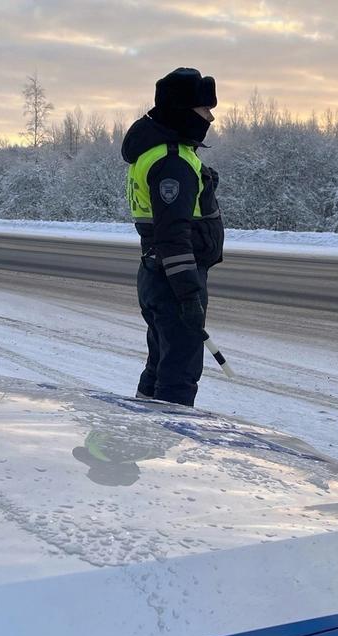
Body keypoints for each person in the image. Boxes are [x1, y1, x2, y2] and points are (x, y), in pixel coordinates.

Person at [121, 68, 224, 407]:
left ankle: (138, 430)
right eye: (203, 110)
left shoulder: (162, 153)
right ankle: (166, 433)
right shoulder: (172, 162)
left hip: (156, 272)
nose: (209, 117)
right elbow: (173, 234)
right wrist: (189, 296)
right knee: (179, 372)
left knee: (160, 362)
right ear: (183, 111)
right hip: (173, 278)